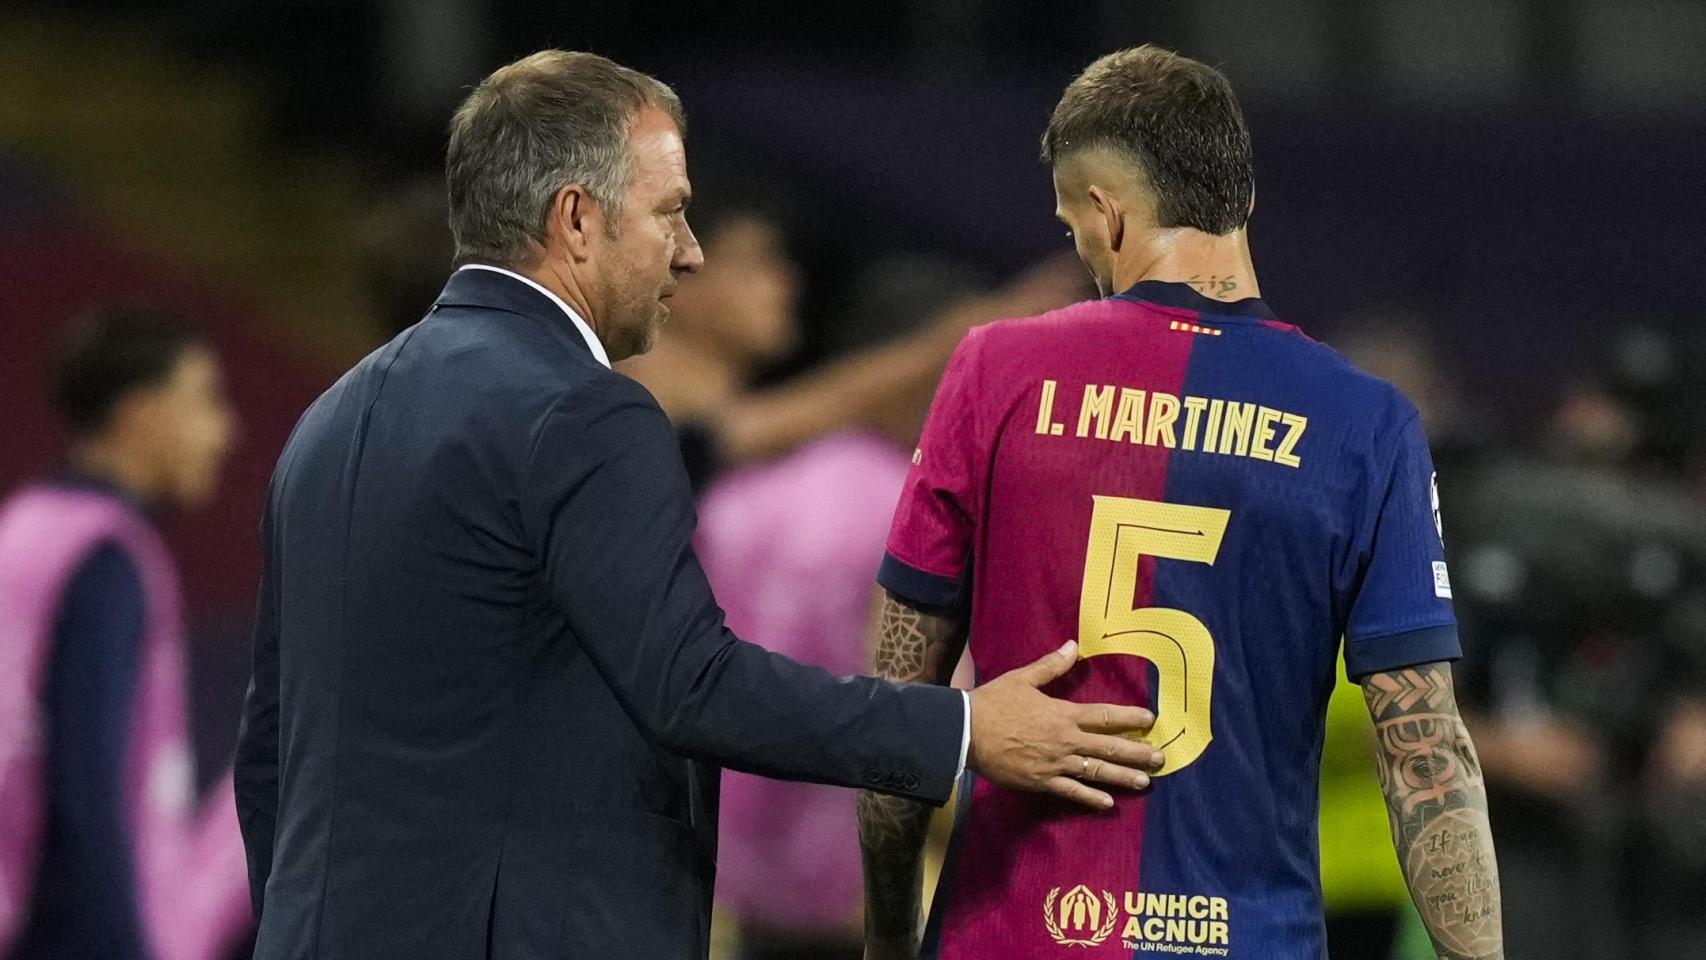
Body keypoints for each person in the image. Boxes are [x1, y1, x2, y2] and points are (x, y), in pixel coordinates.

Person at [233, 50, 1161, 960]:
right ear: (577, 219)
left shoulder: (329, 420)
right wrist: (962, 729)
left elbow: (268, 747)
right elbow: (691, 684)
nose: (691, 252)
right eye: (670, 214)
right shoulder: (584, 411)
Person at [858, 46, 1504, 960]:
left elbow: (900, 716)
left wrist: (890, 936)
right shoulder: (1368, 423)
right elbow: (1425, 749)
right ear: (1239, 200)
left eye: (1069, 222)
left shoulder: (992, 371)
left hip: (1012, 936)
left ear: (1105, 212)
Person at [0, 307, 249, 960]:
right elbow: (90, 797)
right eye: (204, 401)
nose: (223, 433)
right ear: (142, 414)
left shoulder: (28, 528)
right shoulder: (106, 558)